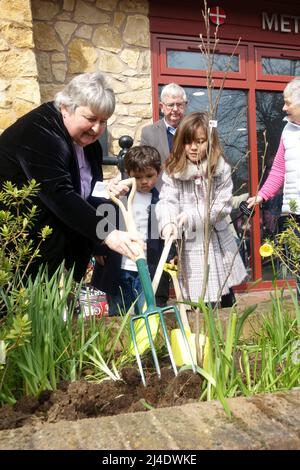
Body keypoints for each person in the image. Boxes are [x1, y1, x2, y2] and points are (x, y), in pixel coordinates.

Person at [0, 72, 142, 282]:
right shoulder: (39, 132)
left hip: (62, 254)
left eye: (104, 121)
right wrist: (108, 234)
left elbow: (85, 188)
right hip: (26, 252)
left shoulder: (88, 144)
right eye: (91, 119)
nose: (97, 129)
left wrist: (106, 189)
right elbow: (59, 193)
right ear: (65, 108)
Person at [156, 112, 247, 307]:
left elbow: (222, 204)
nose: (194, 147)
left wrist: (191, 215)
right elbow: (167, 199)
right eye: (188, 142)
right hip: (187, 243)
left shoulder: (219, 168)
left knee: (219, 293)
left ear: (211, 141)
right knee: (193, 296)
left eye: (200, 141)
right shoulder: (174, 170)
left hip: (215, 241)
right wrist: (169, 222)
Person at [91, 145, 172, 315]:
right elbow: (101, 220)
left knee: (147, 313)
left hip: (147, 270)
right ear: (128, 173)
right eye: (138, 177)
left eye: (149, 176)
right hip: (118, 267)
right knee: (119, 313)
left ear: (159, 171)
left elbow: (167, 234)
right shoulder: (117, 197)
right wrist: (98, 248)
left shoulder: (162, 201)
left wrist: (171, 256)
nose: (144, 182)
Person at [247, 76, 300, 299]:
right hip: (294, 212)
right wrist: (262, 195)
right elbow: (278, 170)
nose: (283, 107)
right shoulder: (288, 131)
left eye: (288, 102)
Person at [140, 83, 187, 306]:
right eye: (170, 105)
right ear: (162, 107)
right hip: (159, 198)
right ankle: (159, 299)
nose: (175, 109)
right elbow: (146, 164)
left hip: (188, 198)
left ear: (185, 105)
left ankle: (189, 298)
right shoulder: (149, 132)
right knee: (159, 251)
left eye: (179, 104)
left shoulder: (194, 129)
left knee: (187, 248)